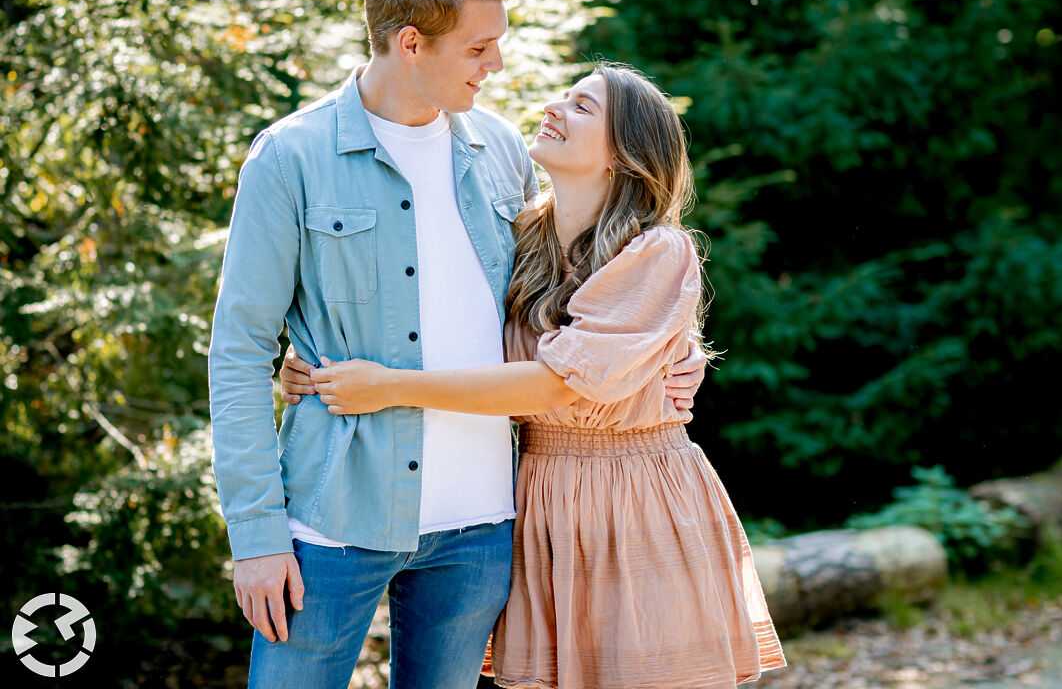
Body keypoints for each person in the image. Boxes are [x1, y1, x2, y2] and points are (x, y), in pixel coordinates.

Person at [208, 0, 704, 688]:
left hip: (480, 526)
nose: (496, 65)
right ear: (411, 43)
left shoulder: (502, 150)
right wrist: (255, 535)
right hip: (331, 520)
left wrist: (676, 354)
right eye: (480, 47)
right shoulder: (291, 157)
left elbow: (586, 288)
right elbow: (238, 350)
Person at [281, 62, 786, 689]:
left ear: (622, 155)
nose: (554, 107)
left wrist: (383, 387)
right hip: (539, 493)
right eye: (565, 96)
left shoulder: (658, 249)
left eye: (582, 107)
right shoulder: (521, 234)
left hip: (634, 495)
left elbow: (554, 383)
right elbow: (440, 317)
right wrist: (313, 355)